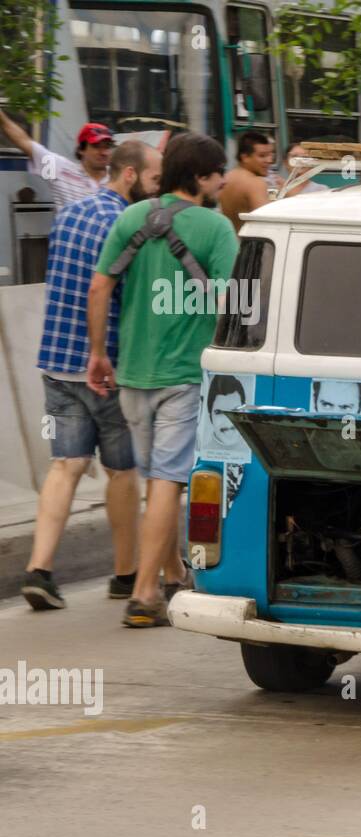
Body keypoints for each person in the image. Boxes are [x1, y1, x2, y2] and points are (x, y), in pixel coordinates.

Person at [86, 132, 238, 628]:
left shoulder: (132, 217)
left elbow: (101, 284)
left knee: (159, 483)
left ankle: (174, 573)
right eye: (218, 173)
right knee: (168, 481)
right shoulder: (216, 229)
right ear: (200, 177)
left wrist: (97, 354)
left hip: (132, 374)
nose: (223, 181)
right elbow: (234, 304)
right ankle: (146, 593)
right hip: (183, 376)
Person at [20, 141, 162, 611]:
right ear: (129, 176)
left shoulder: (71, 213)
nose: (156, 190)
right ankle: (124, 576)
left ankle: (39, 570)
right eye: (153, 180)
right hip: (105, 367)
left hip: (56, 363)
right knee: (121, 471)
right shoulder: (128, 226)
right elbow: (125, 299)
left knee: (66, 465)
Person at [0, 109, 114, 208]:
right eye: (96, 146)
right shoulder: (60, 170)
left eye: (107, 147)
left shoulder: (118, 177)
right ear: (81, 150)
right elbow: (23, 141)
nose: (103, 152)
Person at [219, 130, 274, 233]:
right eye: (262, 156)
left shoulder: (225, 178)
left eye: (270, 155)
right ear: (245, 157)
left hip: (231, 243)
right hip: (251, 246)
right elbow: (267, 224)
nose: (269, 160)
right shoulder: (256, 183)